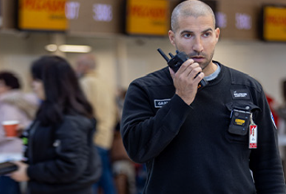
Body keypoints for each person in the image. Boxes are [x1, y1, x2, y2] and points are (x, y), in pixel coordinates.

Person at [120, 1, 286, 193]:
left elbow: (268, 164)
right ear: (172, 38)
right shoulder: (145, 89)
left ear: (216, 35)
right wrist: (181, 99)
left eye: (206, 34)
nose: (198, 46)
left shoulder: (248, 88)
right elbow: (137, 150)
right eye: (188, 35)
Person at [10, 55, 101, 194]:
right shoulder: (51, 110)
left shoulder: (71, 119)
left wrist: (29, 172)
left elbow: (70, 166)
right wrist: (26, 135)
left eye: (37, 79)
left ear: (52, 83)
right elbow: (52, 143)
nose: (33, 84)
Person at [0, 71, 38, 194]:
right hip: (13, 153)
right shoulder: (17, 102)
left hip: (6, 156)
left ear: (8, 86)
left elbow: (8, 131)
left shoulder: (8, 105)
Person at [76, 54, 117, 194]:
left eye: (78, 65)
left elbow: (84, 111)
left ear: (85, 66)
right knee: (105, 175)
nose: (76, 68)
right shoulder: (105, 83)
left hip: (92, 136)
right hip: (106, 135)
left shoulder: (86, 83)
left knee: (90, 178)